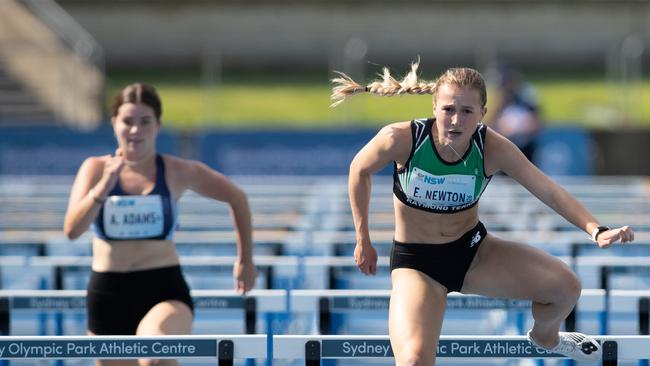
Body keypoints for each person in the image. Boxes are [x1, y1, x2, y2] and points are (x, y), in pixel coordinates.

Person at [331, 62, 634, 365]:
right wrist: (363, 238)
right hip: (417, 264)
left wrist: (595, 228)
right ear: (434, 106)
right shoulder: (401, 139)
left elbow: (549, 191)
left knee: (567, 288)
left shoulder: (492, 147)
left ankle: (546, 338)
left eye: (466, 112)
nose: (455, 121)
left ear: (483, 114)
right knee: (413, 360)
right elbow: (359, 169)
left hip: (473, 253)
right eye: (448, 109)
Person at [63, 83, 257, 366]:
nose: (135, 130)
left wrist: (246, 260)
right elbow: (72, 230)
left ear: (158, 125)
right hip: (108, 292)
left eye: (145, 122)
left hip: (163, 288)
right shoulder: (94, 168)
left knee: (154, 356)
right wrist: (105, 185)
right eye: (128, 122)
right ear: (114, 123)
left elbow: (237, 198)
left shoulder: (177, 170)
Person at [489, 64, 542, 161]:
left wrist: (518, 130)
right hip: (505, 145)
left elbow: (536, 122)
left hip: (526, 144)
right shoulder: (501, 103)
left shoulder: (526, 96)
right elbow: (492, 124)